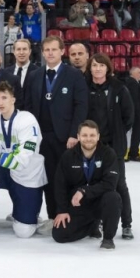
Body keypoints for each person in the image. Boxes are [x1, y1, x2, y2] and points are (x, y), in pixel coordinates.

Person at [0, 82, 47, 242]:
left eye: (4, 98)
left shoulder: (27, 119)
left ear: (13, 99)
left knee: (24, 232)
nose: (0, 102)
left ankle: (25, 213)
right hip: (5, 169)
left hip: (27, 175)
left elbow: (22, 159)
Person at [27, 35, 88, 220]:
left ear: (62, 51)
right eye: (47, 50)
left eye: (54, 49)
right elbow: (28, 106)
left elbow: (81, 105)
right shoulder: (34, 75)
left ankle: (75, 216)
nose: (50, 53)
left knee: (69, 178)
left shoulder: (74, 75)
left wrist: (73, 134)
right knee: (49, 179)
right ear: (43, 53)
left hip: (65, 138)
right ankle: (54, 216)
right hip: (42, 138)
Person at [85, 54, 134, 240]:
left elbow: (129, 117)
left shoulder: (119, 88)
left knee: (119, 184)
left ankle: (127, 224)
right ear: (90, 68)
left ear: (108, 68)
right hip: (91, 147)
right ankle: (95, 222)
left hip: (114, 147)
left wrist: (118, 133)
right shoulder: (85, 88)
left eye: (101, 65)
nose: (97, 69)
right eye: (94, 65)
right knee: (94, 185)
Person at [52, 120, 121, 250]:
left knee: (113, 197)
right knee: (59, 235)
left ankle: (108, 238)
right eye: (84, 135)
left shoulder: (108, 154)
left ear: (98, 136)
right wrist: (62, 210)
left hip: (100, 202)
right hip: (78, 205)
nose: (88, 139)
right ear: (78, 137)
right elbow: (60, 185)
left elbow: (110, 184)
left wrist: (84, 191)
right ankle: (92, 226)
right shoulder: (68, 156)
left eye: (92, 135)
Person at [4, 39, 39, 111]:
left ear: (30, 51)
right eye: (18, 49)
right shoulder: (6, 72)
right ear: (14, 52)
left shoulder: (38, 72)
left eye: (24, 49)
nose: (21, 52)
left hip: (31, 115)